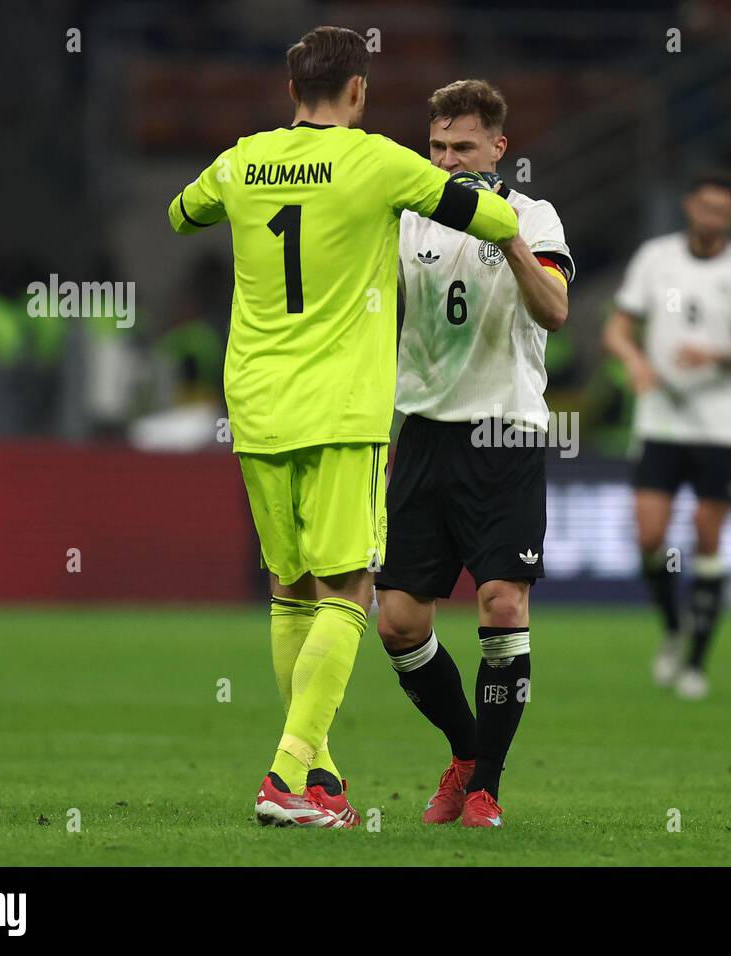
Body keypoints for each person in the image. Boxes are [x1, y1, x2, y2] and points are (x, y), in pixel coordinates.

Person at [167, 28, 518, 828]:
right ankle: (286, 776)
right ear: (357, 91)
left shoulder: (240, 159)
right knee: (351, 588)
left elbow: (181, 214)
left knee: (291, 587)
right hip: (340, 408)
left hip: (255, 404)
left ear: (292, 89)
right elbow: (486, 217)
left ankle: (320, 780)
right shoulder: (379, 161)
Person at [375, 79, 572, 828]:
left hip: (503, 432)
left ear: (499, 148)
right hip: (423, 432)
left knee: (501, 602)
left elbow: (554, 310)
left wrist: (507, 239)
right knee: (397, 620)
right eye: (437, 147)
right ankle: (465, 748)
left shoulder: (532, 215)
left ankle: (485, 786)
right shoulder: (405, 220)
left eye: (463, 146)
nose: (449, 161)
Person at [603, 171, 731, 700]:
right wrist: (634, 361)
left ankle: (696, 662)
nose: (712, 218)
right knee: (649, 535)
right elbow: (617, 327)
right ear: (688, 207)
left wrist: (714, 355)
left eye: (722, 211)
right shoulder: (657, 258)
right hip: (662, 418)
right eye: (706, 207)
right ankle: (673, 626)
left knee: (706, 532)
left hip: (722, 421)